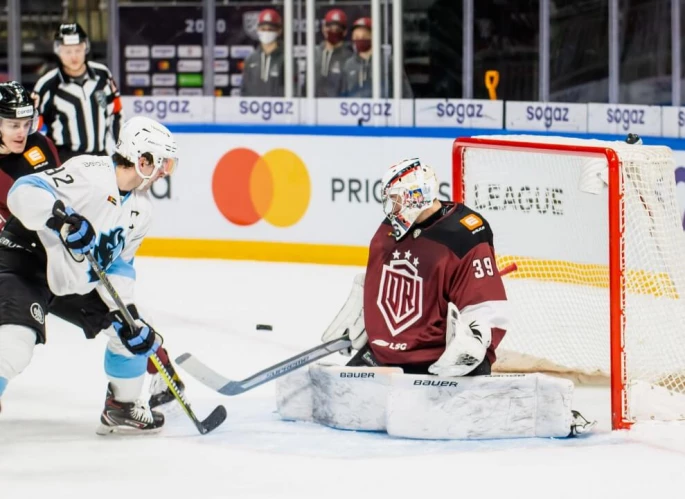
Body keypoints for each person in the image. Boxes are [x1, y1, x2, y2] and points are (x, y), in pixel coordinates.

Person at [0, 116, 178, 434]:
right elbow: (22, 191)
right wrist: (60, 218)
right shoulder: (89, 173)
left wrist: (128, 313)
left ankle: (122, 407)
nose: (165, 171)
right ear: (142, 160)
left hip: (71, 275)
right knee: (16, 343)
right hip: (25, 259)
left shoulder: (141, 210)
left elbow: (119, 266)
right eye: (162, 162)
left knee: (132, 329)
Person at [322, 158, 507, 376]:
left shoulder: (464, 234)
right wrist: (369, 314)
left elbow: (484, 302)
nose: (391, 207)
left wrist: (474, 339)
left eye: (396, 199)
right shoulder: (388, 229)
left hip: (437, 359)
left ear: (417, 196)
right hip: (384, 355)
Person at [32, 23, 124, 163]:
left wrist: (122, 150)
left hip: (100, 158)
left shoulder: (103, 75)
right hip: (65, 162)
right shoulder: (47, 85)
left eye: (78, 50)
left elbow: (117, 113)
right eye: (68, 51)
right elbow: (33, 126)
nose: (74, 56)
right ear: (58, 51)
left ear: (85, 47)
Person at [0, 81, 61, 230]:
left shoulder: (42, 143)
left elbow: (65, 190)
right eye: (14, 125)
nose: (22, 133)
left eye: (27, 124)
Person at [341, 17, 413, 99]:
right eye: (356, 37)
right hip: (355, 106)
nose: (360, 39)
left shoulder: (388, 62)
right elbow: (342, 95)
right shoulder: (349, 64)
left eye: (365, 36)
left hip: (384, 106)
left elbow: (405, 93)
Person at [240, 9, 285, 97]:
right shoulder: (251, 59)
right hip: (254, 105)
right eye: (263, 29)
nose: (266, 32)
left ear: (279, 31)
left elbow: (294, 90)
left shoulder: (286, 59)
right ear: (257, 29)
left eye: (271, 29)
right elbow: (244, 90)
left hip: (279, 105)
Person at [314, 9, 353, 97]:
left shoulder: (349, 57)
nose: (333, 31)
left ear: (345, 31)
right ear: (323, 28)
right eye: (329, 27)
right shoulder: (314, 54)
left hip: (339, 104)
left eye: (338, 29)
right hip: (313, 104)